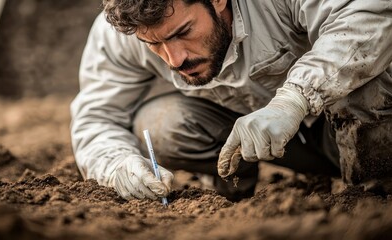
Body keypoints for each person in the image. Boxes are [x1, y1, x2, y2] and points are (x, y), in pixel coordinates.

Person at [70, 0, 392, 201]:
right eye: (154, 44)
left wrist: (295, 98)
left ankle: (374, 191)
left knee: (369, 70)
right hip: (281, 149)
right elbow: (96, 117)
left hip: (362, 125)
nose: (175, 58)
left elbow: (368, 14)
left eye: (183, 31)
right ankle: (234, 181)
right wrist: (115, 165)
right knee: (159, 124)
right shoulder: (124, 31)